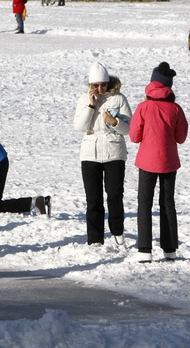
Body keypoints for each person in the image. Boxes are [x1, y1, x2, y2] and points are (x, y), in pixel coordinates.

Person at [129, 62, 189, 263]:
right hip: (169, 162)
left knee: (144, 204)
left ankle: (145, 249)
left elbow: (134, 136)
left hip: (147, 162)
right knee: (167, 203)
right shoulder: (175, 109)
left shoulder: (143, 107)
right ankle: (170, 248)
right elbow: (181, 137)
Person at [73, 62, 133, 246]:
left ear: (109, 83)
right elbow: (80, 127)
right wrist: (91, 107)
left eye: (103, 85)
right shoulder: (85, 99)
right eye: (95, 85)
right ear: (90, 85)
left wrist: (114, 122)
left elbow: (128, 129)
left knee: (115, 195)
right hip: (90, 154)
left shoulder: (119, 99)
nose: (99, 89)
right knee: (93, 199)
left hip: (114, 153)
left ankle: (118, 233)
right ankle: (95, 239)